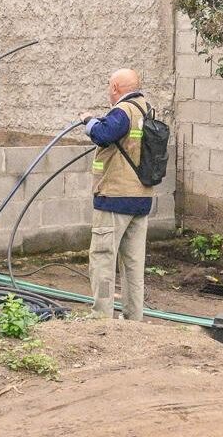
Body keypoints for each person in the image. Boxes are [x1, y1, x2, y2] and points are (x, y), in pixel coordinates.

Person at [79, 68, 154, 321]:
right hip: (141, 197)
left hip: (114, 197)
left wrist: (88, 120)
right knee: (133, 263)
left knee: (102, 257)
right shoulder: (147, 109)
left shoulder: (123, 111)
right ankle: (134, 318)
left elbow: (103, 135)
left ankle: (102, 316)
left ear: (115, 88)